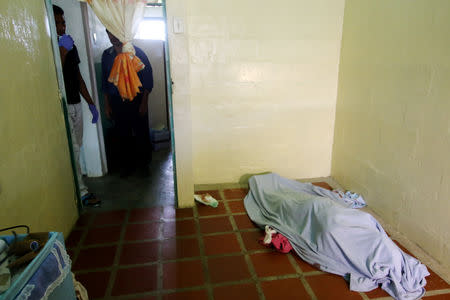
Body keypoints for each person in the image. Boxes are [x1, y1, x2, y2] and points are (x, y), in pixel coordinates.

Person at [53, 5, 100, 207]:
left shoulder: (70, 46)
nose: (62, 27)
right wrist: (61, 51)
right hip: (61, 106)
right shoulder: (53, 48)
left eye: (63, 23)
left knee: (78, 146)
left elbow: (77, 76)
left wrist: (91, 103)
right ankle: (80, 192)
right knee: (72, 147)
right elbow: (54, 76)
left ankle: (77, 185)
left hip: (75, 103)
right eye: (58, 23)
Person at [102, 30, 153, 177]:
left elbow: (147, 80)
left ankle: (144, 165)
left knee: (141, 131)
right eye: (109, 33)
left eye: (115, 32)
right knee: (122, 133)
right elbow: (105, 82)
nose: (112, 37)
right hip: (116, 100)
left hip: (137, 99)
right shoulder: (107, 56)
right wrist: (107, 105)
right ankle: (127, 166)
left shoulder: (137, 53)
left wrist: (144, 103)